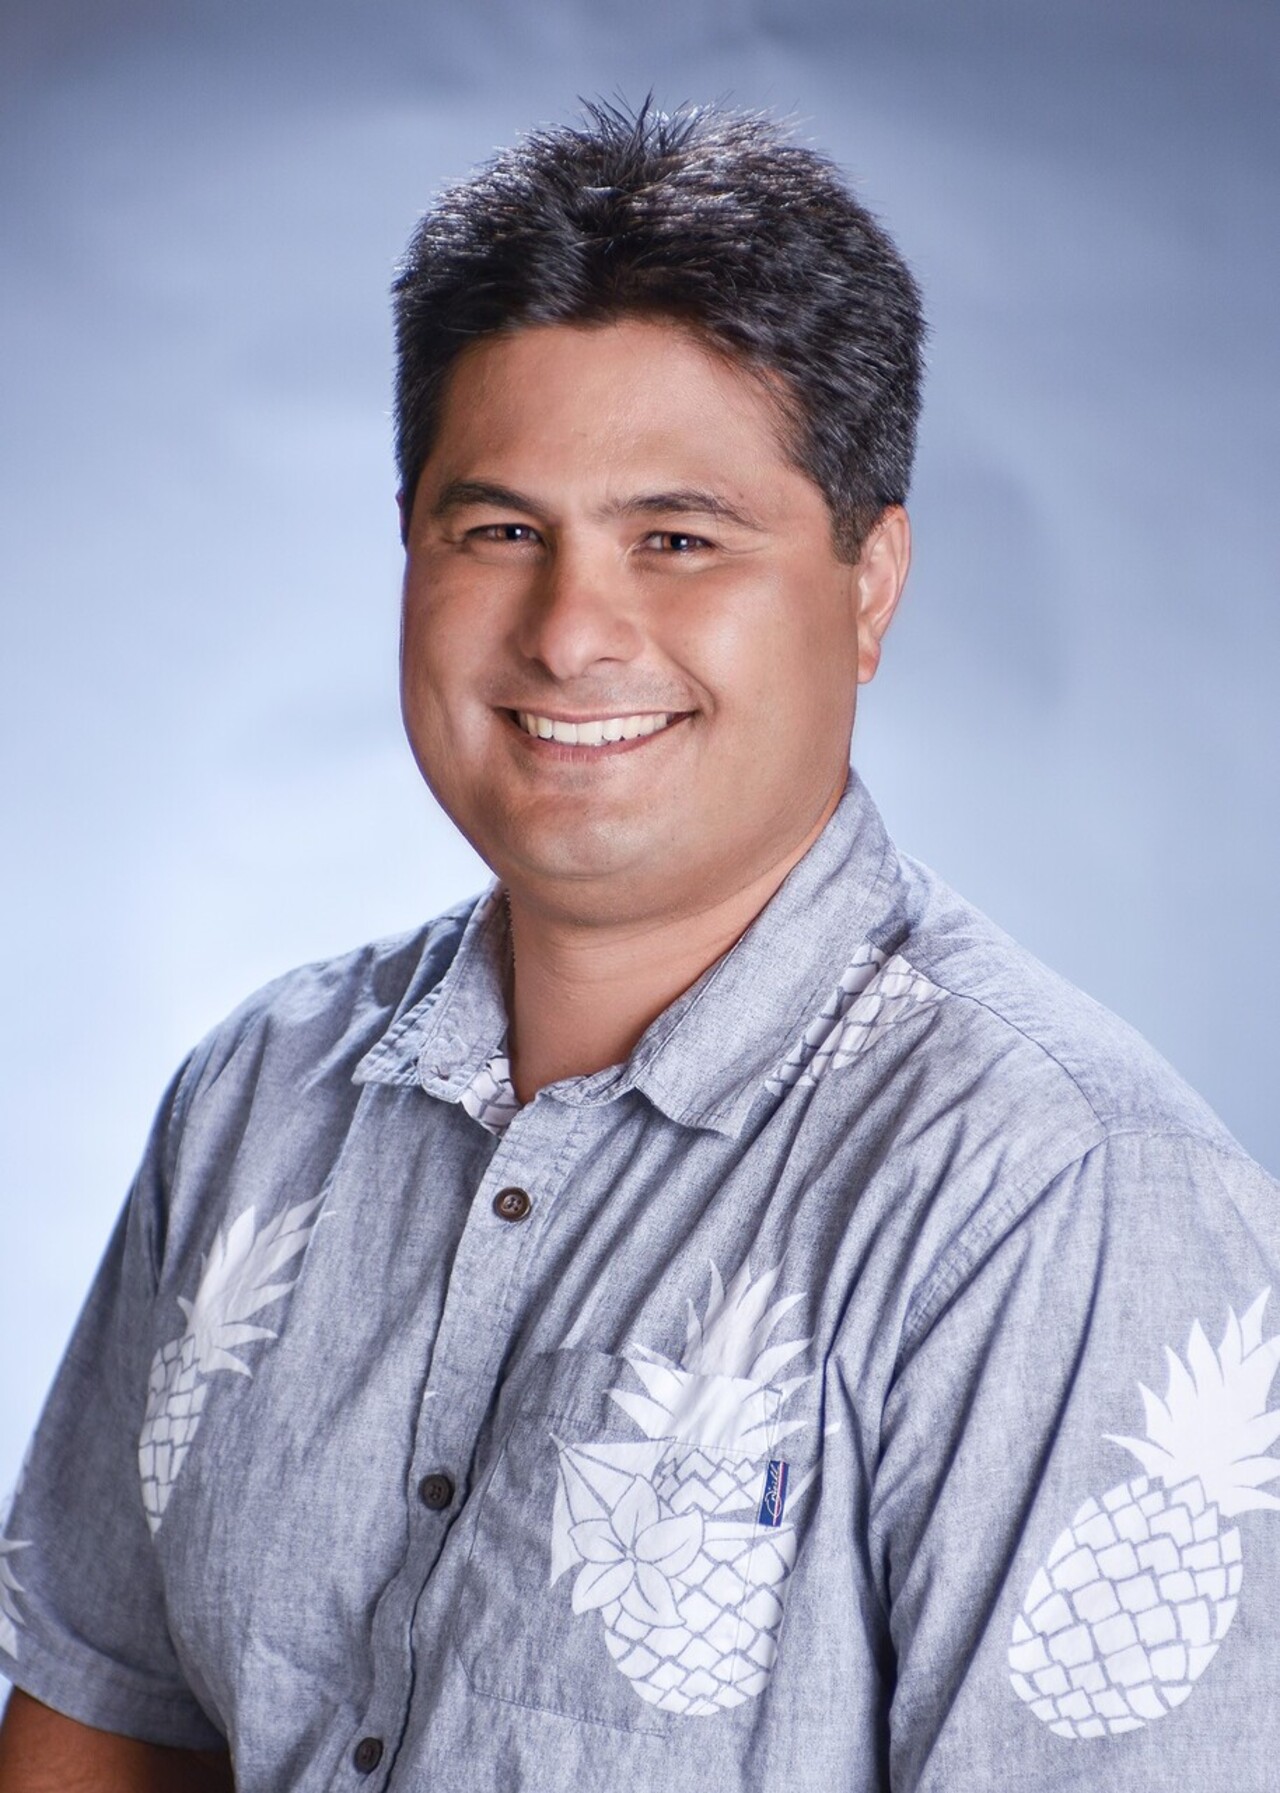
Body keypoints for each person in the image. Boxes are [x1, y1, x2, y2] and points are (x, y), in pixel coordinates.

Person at [0, 98, 1276, 1793]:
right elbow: (103, 1726)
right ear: (409, 547)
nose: (572, 631)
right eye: (500, 531)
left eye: (677, 540)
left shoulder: (1062, 1201)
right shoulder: (254, 1100)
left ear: (871, 582)